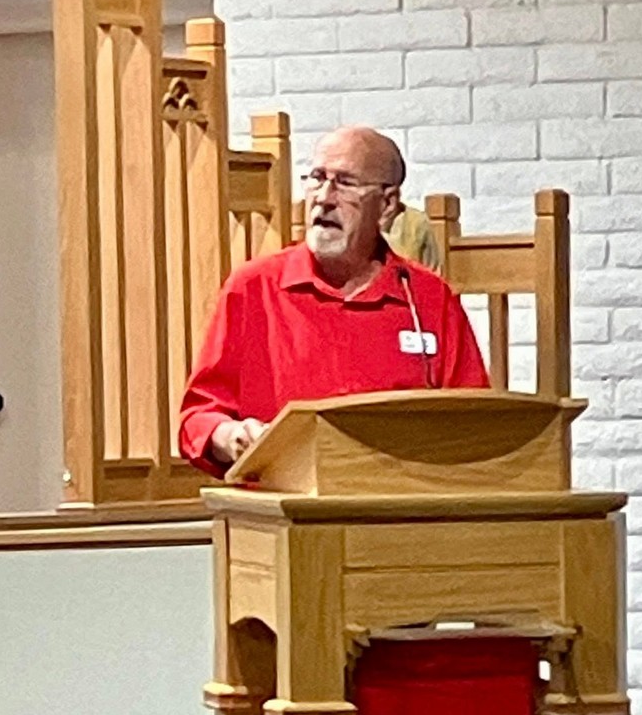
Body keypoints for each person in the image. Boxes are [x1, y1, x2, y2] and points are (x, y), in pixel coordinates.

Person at [178, 126, 488, 476]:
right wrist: (229, 435)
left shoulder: (428, 298)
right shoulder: (254, 288)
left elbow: (475, 422)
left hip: (396, 498)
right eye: (316, 178)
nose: (324, 198)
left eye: (344, 183)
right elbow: (198, 418)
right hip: (283, 497)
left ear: (386, 205)